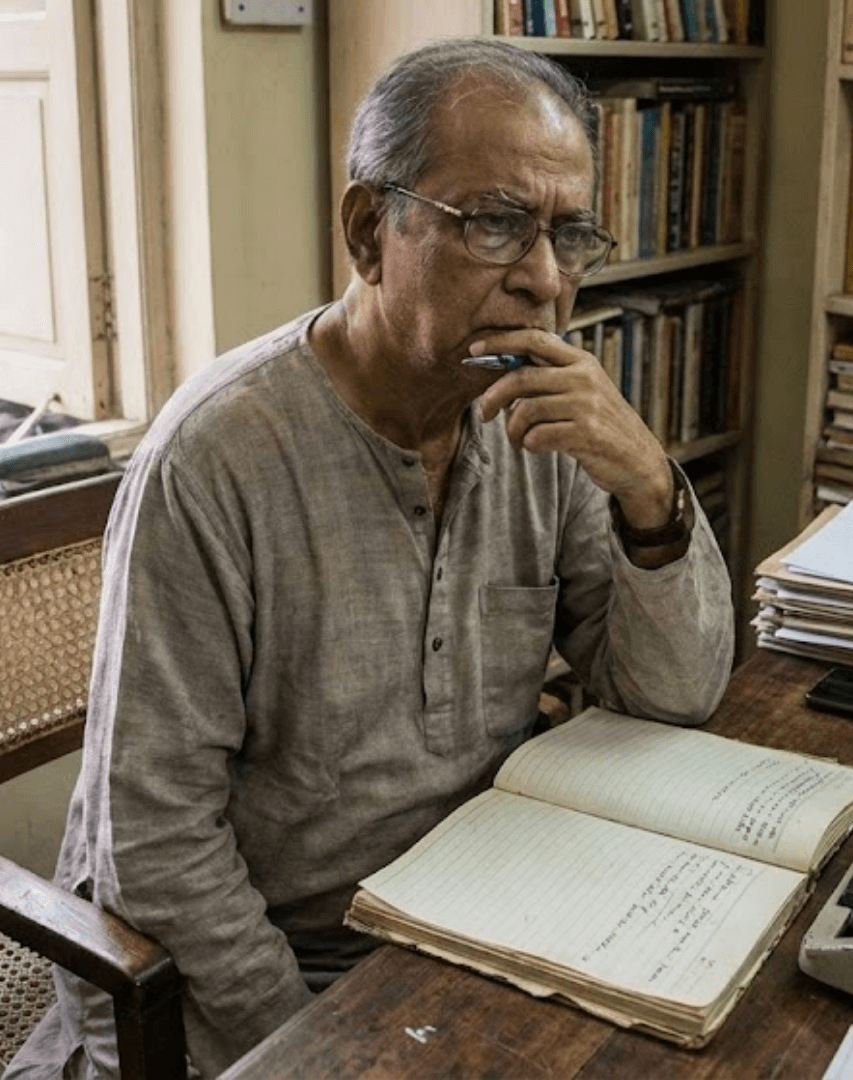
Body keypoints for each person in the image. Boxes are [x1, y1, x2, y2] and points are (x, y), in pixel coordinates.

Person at [5, 37, 733, 1080]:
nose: (542, 279)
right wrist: (326, 1053)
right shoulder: (218, 457)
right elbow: (155, 846)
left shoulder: (541, 418)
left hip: (474, 921)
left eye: (570, 236)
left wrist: (651, 493)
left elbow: (671, 701)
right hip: (263, 973)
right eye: (493, 224)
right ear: (366, 230)